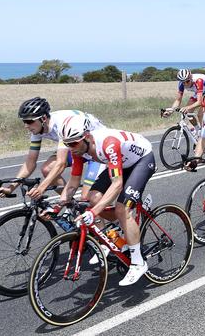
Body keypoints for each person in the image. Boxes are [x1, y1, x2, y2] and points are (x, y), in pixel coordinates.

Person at [58, 115, 156, 286]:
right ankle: (127, 223)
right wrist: (57, 207)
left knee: (121, 209)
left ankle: (138, 263)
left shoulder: (107, 143)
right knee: (93, 197)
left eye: (73, 143)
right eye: (67, 144)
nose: (71, 148)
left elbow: (117, 184)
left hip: (141, 160)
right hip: (122, 164)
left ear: (87, 137)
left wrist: (94, 213)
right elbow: (73, 183)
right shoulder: (79, 149)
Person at [0, 97, 105, 201]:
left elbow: (60, 164)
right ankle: (70, 204)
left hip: (98, 150)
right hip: (76, 146)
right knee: (47, 169)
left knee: (87, 198)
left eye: (29, 121)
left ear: (43, 118)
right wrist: (11, 187)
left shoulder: (62, 125)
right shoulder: (37, 129)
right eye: (24, 121)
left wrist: (41, 188)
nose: (26, 126)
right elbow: (30, 163)